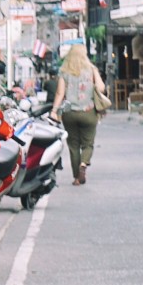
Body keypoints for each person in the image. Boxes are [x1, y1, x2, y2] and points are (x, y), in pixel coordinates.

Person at [53, 42, 109, 185]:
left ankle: (77, 177)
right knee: (88, 143)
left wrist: (54, 111)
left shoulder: (64, 71)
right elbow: (101, 88)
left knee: (73, 145)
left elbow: (60, 93)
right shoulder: (91, 69)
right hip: (88, 111)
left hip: (69, 113)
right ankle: (84, 164)